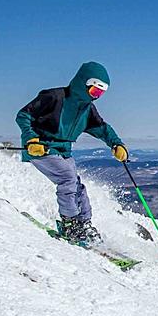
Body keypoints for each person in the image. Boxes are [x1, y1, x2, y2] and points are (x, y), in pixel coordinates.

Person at [16, 61, 128, 243]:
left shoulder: (87, 109)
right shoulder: (54, 97)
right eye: (94, 91)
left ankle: (84, 223)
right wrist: (31, 139)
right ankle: (70, 223)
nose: (96, 97)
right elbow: (23, 115)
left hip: (63, 149)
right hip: (40, 147)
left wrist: (117, 144)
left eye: (100, 93)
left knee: (77, 185)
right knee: (67, 178)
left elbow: (102, 128)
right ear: (83, 83)